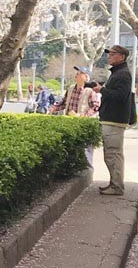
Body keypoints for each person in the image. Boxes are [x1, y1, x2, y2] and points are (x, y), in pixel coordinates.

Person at [94, 45, 133, 196]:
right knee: (111, 154)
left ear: (122, 56)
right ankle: (114, 184)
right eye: (109, 54)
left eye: (112, 54)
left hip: (114, 120)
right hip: (111, 119)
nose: (109, 56)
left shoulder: (123, 74)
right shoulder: (118, 73)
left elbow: (120, 97)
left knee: (113, 154)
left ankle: (117, 186)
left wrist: (102, 90)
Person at [51, 66, 100, 166]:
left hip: (83, 125)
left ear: (86, 77)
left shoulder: (89, 91)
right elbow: (63, 103)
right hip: (69, 124)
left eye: (80, 73)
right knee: (69, 150)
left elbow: (95, 106)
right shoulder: (70, 89)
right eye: (77, 73)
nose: (77, 75)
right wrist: (54, 108)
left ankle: (87, 169)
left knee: (85, 151)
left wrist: (84, 116)